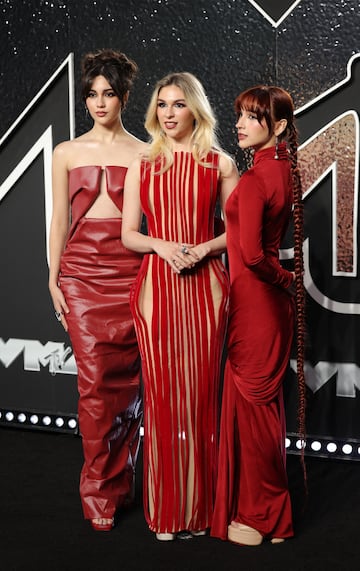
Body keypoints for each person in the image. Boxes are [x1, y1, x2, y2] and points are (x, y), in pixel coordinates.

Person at [121, 72, 239, 540]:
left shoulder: (220, 164)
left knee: (202, 400)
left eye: (178, 105)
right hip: (157, 289)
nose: (169, 113)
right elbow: (128, 234)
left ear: (196, 110)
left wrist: (203, 249)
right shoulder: (141, 164)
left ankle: (203, 511)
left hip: (206, 289)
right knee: (165, 402)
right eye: (162, 105)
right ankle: (167, 512)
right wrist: (163, 246)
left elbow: (237, 234)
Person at [48, 49, 148, 532]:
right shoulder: (66, 152)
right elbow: (58, 221)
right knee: (93, 390)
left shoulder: (146, 152)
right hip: (83, 276)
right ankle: (98, 494)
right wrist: (52, 278)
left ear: (124, 97)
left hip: (133, 272)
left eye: (108, 94)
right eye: (91, 94)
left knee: (131, 389)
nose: (99, 102)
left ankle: (124, 480)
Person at [211, 85, 306, 545]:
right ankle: (271, 513)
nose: (241, 124)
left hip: (255, 306)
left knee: (255, 418)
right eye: (241, 116)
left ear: (279, 126)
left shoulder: (253, 181)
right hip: (266, 308)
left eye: (253, 117)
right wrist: (285, 284)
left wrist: (286, 280)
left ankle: (263, 515)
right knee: (263, 414)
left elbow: (249, 256)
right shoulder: (284, 171)